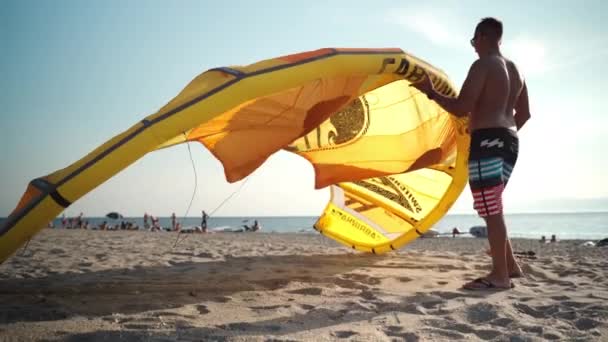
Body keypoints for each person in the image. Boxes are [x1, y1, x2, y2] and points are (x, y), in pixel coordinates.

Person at [412, 17, 530, 290]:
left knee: (491, 209)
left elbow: (461, 107)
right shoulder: (516, 70)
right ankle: (510, 267)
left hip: (488, 141)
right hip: (510, 142)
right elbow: (524, 114)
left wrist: (431, 93)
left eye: (473, 41)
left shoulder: (483, 65)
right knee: (493, 207)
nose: (473, 47)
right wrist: (504, 134)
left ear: (483, 37)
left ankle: (499, 277)